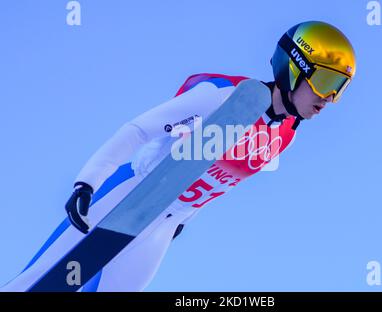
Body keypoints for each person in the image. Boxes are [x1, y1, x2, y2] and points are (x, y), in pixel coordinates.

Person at [1, 21, 356, 292]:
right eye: (325, 82)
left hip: (163, 226)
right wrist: (87, 182)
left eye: (339, 88)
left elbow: (222, 182)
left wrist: (185, 221)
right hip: (127, 195)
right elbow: (139, 130)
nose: (329, 98)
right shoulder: (223, 97)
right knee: (39, 282)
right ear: (294, 65)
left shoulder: (285, 136)